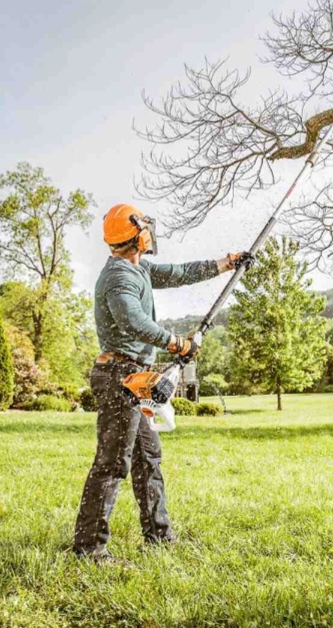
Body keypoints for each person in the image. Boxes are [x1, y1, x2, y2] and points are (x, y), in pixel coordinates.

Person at [73, 203, 250, 563]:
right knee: (111, 463)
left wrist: (226, 262)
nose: (151, 232)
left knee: (148, 458)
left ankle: (159, 534)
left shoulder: (140, 268)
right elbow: (132, 321)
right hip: (120, 378)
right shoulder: (119, 278)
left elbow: (182, 271)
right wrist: (175, 342)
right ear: (137, 235)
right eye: (146, 228)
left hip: (135, 377)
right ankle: (89, 548)